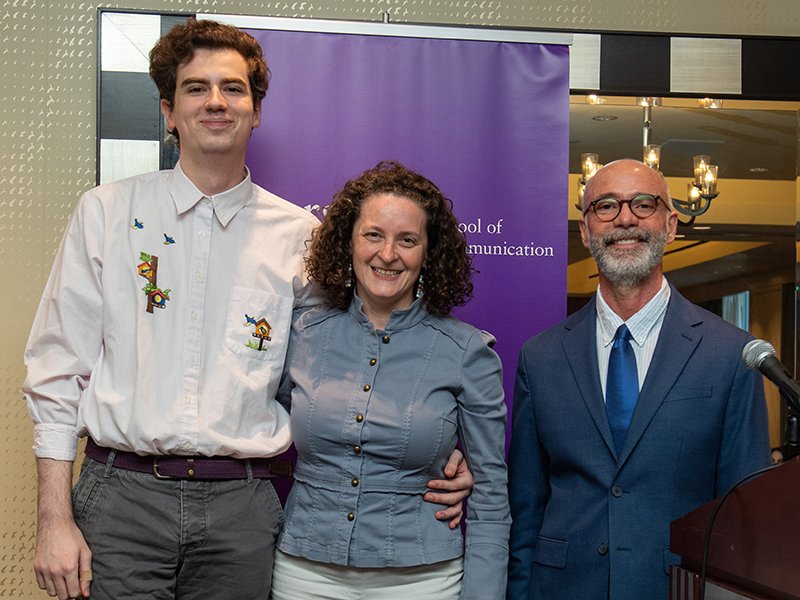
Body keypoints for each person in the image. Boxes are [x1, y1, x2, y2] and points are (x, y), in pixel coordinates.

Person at [22, 20, 471, 600]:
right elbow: (57, 372)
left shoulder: (300, 236)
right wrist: (54, 521)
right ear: (168, 110)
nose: (216, 101)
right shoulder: (106, 214)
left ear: (255, 111)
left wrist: (434, 444)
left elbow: (351, 364)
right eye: (195, 88)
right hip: (120, 499)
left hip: (243, 507)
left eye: (234, 89)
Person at [506, 159, 770, 600]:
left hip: (678, 587)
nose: (625, 218)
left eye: (643, 204)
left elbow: (744, 516)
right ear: (586, 231)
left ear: (670, 226)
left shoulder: (731, 354)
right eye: (606, 206)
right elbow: (526, 507)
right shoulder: (541, 357)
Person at [270, 161, 511, 600]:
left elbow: (492, 497)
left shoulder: (467, 352)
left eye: (407, 240)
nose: (387, 254)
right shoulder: (301, 334)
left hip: (424, 580)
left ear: (428, 252)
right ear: (348, 240)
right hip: (305, 574)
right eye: (373, 235)